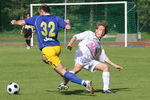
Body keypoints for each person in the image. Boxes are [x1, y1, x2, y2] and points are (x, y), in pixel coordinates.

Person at [10, 4, 94, 94]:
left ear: (41, 11)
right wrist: (68, 22)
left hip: (47, 49)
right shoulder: (56, 18)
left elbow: (21, 22)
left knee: (62, 71)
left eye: (39, 11)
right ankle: (65, 75)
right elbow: (68, 27)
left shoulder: (37, 18)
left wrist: (14, 22)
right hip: (57, 47)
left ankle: (85, 83)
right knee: (44, 59)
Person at [58, 22, 123, 93]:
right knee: (77, 69)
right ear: (96, 30)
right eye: (100, 29)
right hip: (81, 55)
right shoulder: (89, 33)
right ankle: (65, 81)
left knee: (105, 67)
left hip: (89, 60)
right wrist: (70, 44)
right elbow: (75, 36)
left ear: (104, 33)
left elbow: (105, 58)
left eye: (103, 30)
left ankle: (106, 89)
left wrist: (115, 65)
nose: (101, 31)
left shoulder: (99, 46)